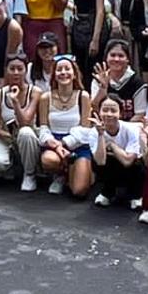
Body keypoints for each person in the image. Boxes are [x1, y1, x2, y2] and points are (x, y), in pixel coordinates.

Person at [34, 57, 94, 198]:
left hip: (78, 145)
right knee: (49, 161)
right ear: (54, 74)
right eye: (59, 69)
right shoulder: (45, 98)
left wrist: (65, 143)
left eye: (67, 69)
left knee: (79, 191)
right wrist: (54, 144)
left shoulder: (83, 96)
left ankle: (78, 172)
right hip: (54, 144)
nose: (63, 72)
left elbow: (86, 130)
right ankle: (60, 175)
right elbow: (43, 127)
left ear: (74, 74)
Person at [0, 53, 37, 182]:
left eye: (20, 69)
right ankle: (11, 163)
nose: (16, 73)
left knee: (25, 133)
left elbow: (25, 122)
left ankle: (29, 174)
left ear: (26, 71)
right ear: (6, 71)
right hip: (5, 138)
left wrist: (15, 102)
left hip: (28, 138)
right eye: (12, 69)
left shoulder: (35, 92)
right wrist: (11, 139)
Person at [89, 95, 146, 209]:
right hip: (112, 165)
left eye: (113, 110)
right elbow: (100, 162)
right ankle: (108, 191)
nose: (109, 114)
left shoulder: (131, 129)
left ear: (120, 114)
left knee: (137, 165)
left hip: (132, 169)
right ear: (99, 112)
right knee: (98, 161)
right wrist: (101, 135)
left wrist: (111, 145)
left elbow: (128, 161)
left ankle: (135, 195)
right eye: (105, 110)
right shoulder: (94, 132)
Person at [89, 40, 143, 123]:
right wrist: (103, 88)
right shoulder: (98, 79)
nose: (116, 59)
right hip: (103, 126)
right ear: (106, 58)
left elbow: (140, 114)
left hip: (130, 127)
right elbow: (95, 108)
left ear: (128, 59)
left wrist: (121, 130)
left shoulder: (137, 82)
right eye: (112, 55)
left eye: (121, 56)